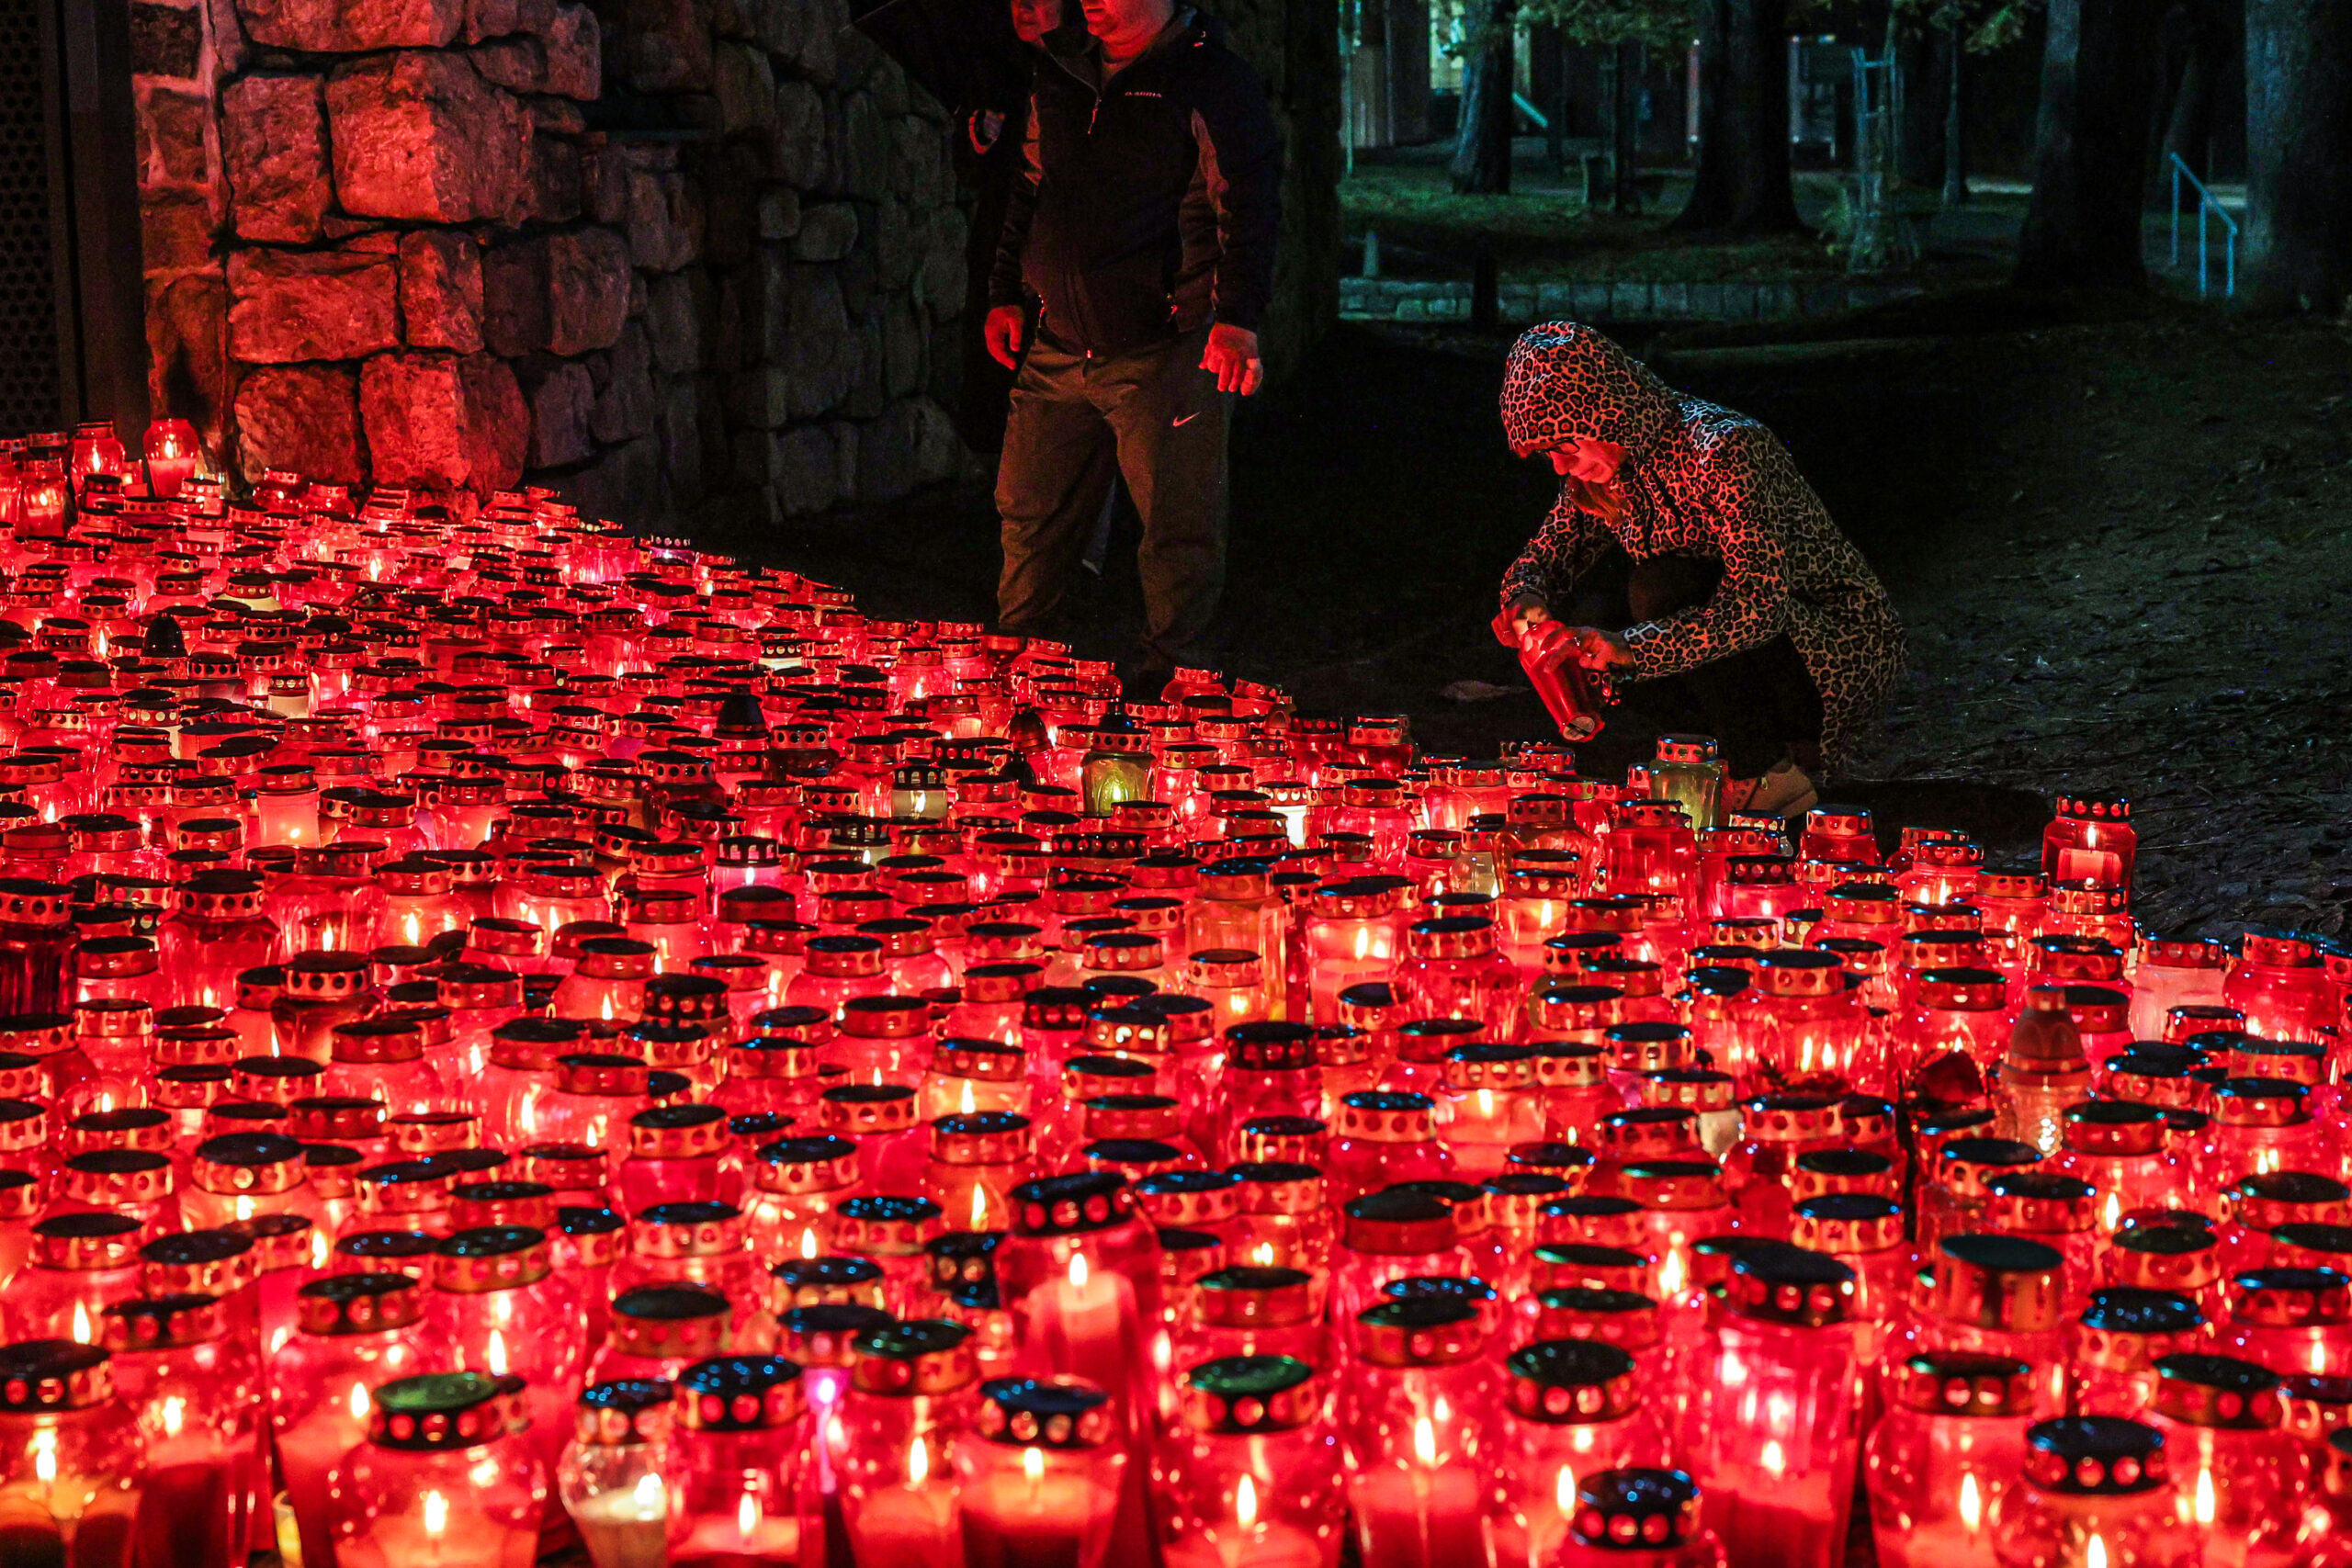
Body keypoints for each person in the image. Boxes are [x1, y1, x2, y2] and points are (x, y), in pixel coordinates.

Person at [984, 0, 1282, 684]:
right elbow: (1030, 185)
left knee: (1178, 525)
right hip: (1058, 342)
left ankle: (1176, 686)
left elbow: (1248, 201)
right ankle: (1021, 674)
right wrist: (1007, 288)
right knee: (1030, 514)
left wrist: (1236, 317)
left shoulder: (1208, 79)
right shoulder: (1061, 70)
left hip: (1164, 345)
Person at [1493, 321, 1905, 816]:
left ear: (1605, 411)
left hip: (1828, 649)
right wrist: (1525, 602)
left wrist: (1633, 646)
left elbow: (1759, 606)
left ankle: (1767, 770)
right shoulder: (1608, 471)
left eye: (1564, 446)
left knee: (1659, 590)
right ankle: (1726, 758)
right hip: (1742, 653)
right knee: (1593, 633)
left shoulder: (1724, 447)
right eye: (1548, 454)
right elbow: (1548, 554)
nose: (1560, 467)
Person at [949, 0, 1087, 455]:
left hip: (1061, 245)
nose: (1023, 7)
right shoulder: (996, 70)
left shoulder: (1086, 71)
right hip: (1000, 243)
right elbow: (970, 168)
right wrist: (980, 137)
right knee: (997, 377)